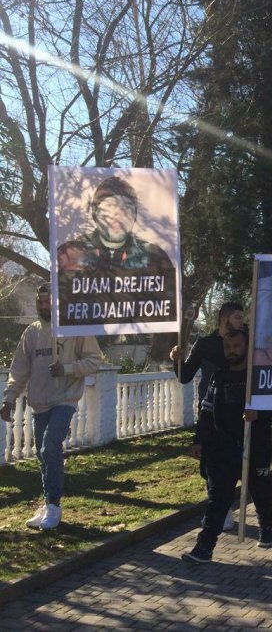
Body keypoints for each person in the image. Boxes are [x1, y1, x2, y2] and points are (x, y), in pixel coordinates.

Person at [1, 283, 101, 530]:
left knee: (49, 447)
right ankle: (47, 503)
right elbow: (19, 369)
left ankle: (54, 506)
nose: (44, 306)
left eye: (49, 301)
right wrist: (9, 397)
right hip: (39, 402)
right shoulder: (32, 332)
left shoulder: (75, 329)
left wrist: (66, 369)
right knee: (41, 455)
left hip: (65, 399)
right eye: (41, 302)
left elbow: (94, 360)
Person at [182, 329, 272, 563]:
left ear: (246, 347)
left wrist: (259, 414)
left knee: (260, 491)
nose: (232, 351)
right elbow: (207, 411)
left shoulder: (258, 378)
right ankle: (204, 547)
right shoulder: (218, 378)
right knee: (218, 499)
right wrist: (199, 440)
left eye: (236, 346)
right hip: (223, 448)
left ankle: (266, 523)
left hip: (255, 446)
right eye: (228, 347)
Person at [56, 175, 177, 325]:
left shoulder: (155, 257)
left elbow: (166, 314)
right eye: (109, 207)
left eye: (126, 207)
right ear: (95, 213)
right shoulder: (70, 253)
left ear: (134, 215)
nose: (117, 215)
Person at [171, 301, 245, 530]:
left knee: (232, 462)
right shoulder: (204, 344)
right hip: (210, 412)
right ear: (224, 318)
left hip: (238, 412)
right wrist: (177, 360)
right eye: (238, 318)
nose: (242, 322)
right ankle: (219, 507)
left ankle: (224, 510)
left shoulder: (244, 342)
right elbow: (185, 376)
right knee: (210, 465)